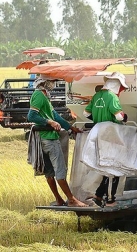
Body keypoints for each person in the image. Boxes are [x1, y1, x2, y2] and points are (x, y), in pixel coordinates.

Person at [26, 76, 87, 207]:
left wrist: (70, 127)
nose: (54, 84)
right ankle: (71, 199)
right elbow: (31, 115)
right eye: (53, 82)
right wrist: (49, 122)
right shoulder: (38, 95)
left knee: (49, 172)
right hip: (49, 138)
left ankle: (59, 199)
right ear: (45, 82)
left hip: (43, 139)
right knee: (60, 170)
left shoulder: (44, 96)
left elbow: (55, 116)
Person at [84, 72, 128, 207]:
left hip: (99, 133)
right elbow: (119, 117)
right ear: (117, 85)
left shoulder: (97, 96)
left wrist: (99, 120)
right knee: (113, 169)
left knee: (107, 167)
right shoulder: (112, 96)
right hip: (110, 135)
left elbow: (86, 113)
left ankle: (98, 195)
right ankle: (110, 200)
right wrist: (124, 116)